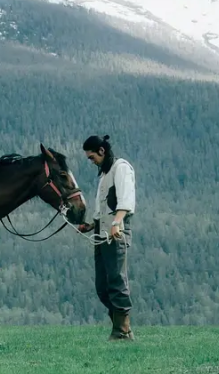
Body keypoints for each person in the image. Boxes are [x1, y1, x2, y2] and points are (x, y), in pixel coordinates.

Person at [79, 134, 136, 341]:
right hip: (101, 233)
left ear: (101, 151)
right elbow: (102, 208)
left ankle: (121, 331)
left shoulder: (121, 168)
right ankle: (123, 328)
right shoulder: (104, 175)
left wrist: (116, 223)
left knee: (116, 280)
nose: (91, 161)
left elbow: (125, 199)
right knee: (102, 287)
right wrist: (91, 225)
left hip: (116, 232)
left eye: (92, 157)